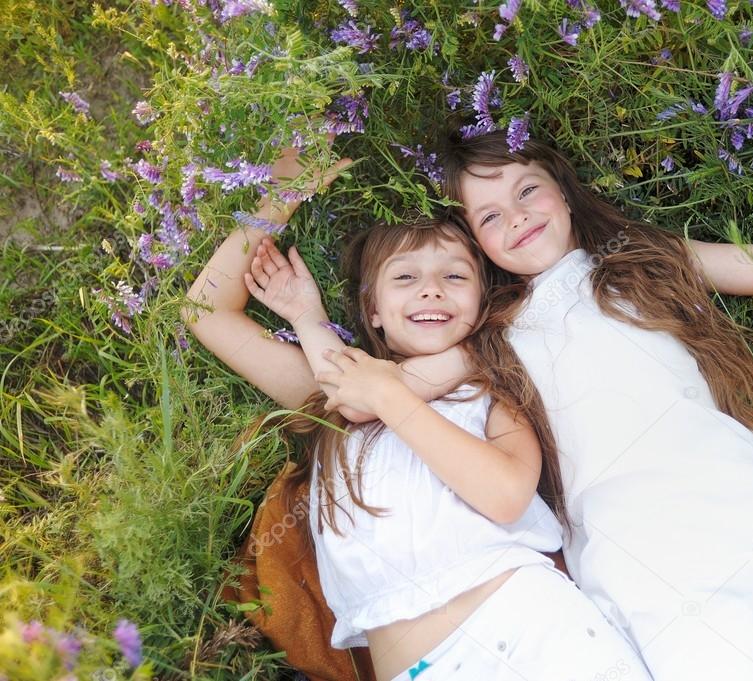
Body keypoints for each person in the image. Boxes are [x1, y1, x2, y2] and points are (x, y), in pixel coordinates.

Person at [322, 2, 753, 679]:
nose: (519, 217)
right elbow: (363, 397)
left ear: (562, 189)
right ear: (478, 245)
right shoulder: (492, 336)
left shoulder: (646, 259)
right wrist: (317, 333)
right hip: (645, 567)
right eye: (490, 216)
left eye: (528, 189)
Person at [183, 148, 654, 681]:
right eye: (405, 277)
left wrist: (390, 399)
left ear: (481, 302)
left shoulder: (492, 390)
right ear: (374, 312)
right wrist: (285, 195)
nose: (431, 287)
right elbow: (207, 311)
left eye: (455, 276)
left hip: (536, 635)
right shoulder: (328, 401)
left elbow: (504, 495)